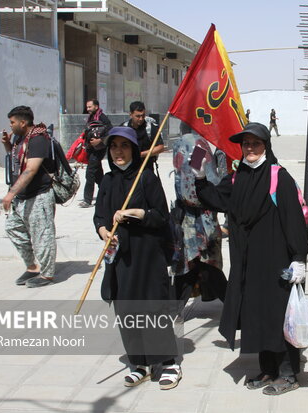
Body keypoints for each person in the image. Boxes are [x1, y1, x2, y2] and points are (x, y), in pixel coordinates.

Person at [194, 122, 308, 396]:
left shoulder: (278, 177)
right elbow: (216, 199)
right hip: (248, 263)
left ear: (266, 146)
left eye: (255, 144)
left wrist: (299, 258)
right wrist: (199, 177)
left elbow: (293, 220)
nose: (250, 148)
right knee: (256, 316)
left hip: (276, 262)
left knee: (278, 316)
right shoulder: (238, 177)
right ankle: (267, 369)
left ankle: (288, 373)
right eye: (246, 144)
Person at [93, 126, 181, 390]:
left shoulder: (146, 179)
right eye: (114, 147)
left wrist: (137, 213)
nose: (119, 152)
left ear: (133, 149)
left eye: (124, 146)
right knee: (126, 309)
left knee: (152, 307)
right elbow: (99, 216)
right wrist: (104, 231)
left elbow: (161, 217)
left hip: (148, 256)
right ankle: (139, 362)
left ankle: (167, 363)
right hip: (121, 258)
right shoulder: (107, 181)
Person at [1, 106, 57, 288]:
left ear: (23, 122)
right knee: (13, 228)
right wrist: (7, 144)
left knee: (42, 235)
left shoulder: (38, 139)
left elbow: (31, 169)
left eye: (12, 122)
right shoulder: (20, 139)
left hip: (39, 195)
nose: (10, 126)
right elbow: (17, 160)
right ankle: (32, 267)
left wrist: (10, 194)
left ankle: (47, 274)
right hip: (23, 197)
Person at [171, 131, 227, 303]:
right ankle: (173, 308)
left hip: (195, 220)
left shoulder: (191, 144)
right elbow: (195, 188)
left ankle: (172, 309)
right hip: (196, 221)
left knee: (198, 266)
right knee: (197, 266)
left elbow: (193, 186)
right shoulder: (195, 145)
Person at [80, 99, 112, 208]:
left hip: (98, 150)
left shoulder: (103, 118)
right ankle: (107, 193)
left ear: (96, 107)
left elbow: (110, 132)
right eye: (87, 107)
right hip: (90, 149)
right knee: (98, 175)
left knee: (90, 173)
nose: (88, 109)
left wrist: (100, 141)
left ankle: (87, 200)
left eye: (90, 107)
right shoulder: (91, 118)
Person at [122, 101, 165, 174]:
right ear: (131, 115)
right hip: (128, 170)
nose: (141, 119)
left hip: (146, 169)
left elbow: (160, 147)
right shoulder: (123, 129)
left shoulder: (150, 128)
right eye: (138, 116)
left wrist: (141, 154)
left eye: (143, 115)